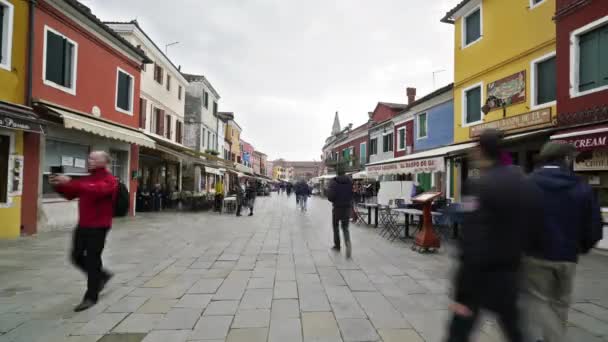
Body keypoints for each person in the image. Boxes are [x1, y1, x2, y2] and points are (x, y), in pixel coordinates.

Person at [446, 129, 542, 342]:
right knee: (515, 332)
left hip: (478, 279)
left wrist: (461, 291)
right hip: (510, 274)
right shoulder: (524, 183)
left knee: (458, 334)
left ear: (481, 151)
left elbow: (472, 240)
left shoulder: (478, 185)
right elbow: (535, 227)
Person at [522, 141, 602, 342]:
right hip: (567, 257)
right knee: (560, 303)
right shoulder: (581, 186)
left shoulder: (528, 183)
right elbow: (593, 226)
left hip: (535, 256)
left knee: (537, 300)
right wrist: (580, 247)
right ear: (566, 159)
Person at [49, 151, 118, 312]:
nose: (90, 160)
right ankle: (102, 276)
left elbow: (97, 190)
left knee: (93, 259)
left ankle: (91, 296)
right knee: (76, 256)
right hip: (83, 224)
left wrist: (71, 181)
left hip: (99, 225)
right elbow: (71, 194)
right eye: (89, 157)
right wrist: (59, 185)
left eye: (94, 158)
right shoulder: (87, 179)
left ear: (105, 162)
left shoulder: (110, 180)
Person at [327, 167, 354, 258]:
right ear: (345, 172)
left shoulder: (333, 182)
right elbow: (352, 194)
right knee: (345, 227)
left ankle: (337, 246)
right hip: (347, 207)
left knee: (335, 227)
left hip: (337, 208)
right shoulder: (350, 181)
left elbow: (330, 197)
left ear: (337, 173)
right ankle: (347, 243)